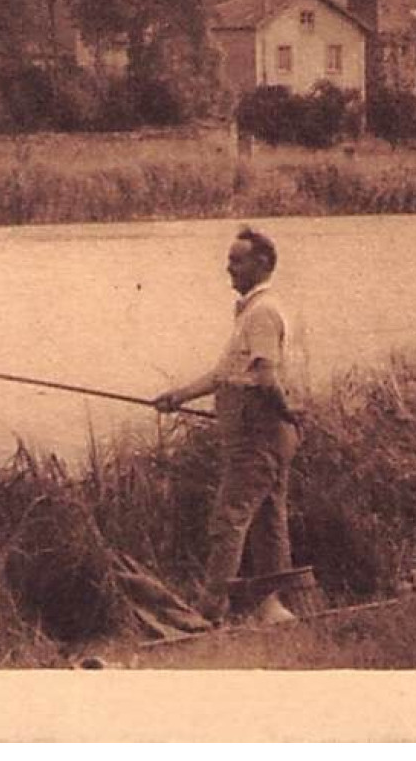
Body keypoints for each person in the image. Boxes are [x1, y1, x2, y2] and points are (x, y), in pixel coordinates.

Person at [154, 227, 302, 626]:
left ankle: (209, 612)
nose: (228, 267)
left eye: (237, 260)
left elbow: (266, 379)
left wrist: (285, 415)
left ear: (262, 264)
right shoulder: (251, 313)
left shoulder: (263, 312)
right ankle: (274, 608)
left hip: (258, 433)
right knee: (269, 516)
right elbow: (226, 375)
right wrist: (179, 396)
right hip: (260, 432)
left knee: (229, 517)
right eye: (229, 259)